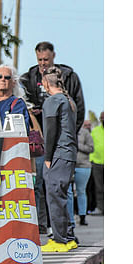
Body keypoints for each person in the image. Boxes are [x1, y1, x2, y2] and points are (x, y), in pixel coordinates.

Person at [20, 42, 85, 237]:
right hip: (40, 138)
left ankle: (66, 229)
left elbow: (78, 109)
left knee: (61, 187)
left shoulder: (67, 77)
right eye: (39, 60)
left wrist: (68, 134)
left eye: (46, 60)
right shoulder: (30, 76)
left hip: (59, 143)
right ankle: (45, 226)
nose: (42, 64)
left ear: (53, 56)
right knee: (43, 184)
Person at [39, 66, 78, 253]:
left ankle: (60, 239)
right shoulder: (68, 100)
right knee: (62, 196)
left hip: (58, 154)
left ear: (46, 83)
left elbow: (51, 130)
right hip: (68, 153)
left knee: (54, 196)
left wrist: (48, 157)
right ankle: (68, 237)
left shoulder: (52, 101)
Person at [68, 120, 94, 228]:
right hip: (68, 165)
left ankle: (82, 216)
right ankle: (70, 218)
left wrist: (78, 145)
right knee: (68, 192)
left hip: (83, 166)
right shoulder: (66, 132)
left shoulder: (85, 133)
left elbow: (91, 148)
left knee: (81, 191)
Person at [0, 64, 30, 131]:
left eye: (7, 77)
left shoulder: (17, 103)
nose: (3, 79)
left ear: (14, 82)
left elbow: (19, 131)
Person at [89, 112, 104, 215]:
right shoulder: (95, 131)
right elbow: (91, 145)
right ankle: (100, 208)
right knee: (99, 188)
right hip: (97, 163)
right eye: (102, 118)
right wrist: (92, 160)